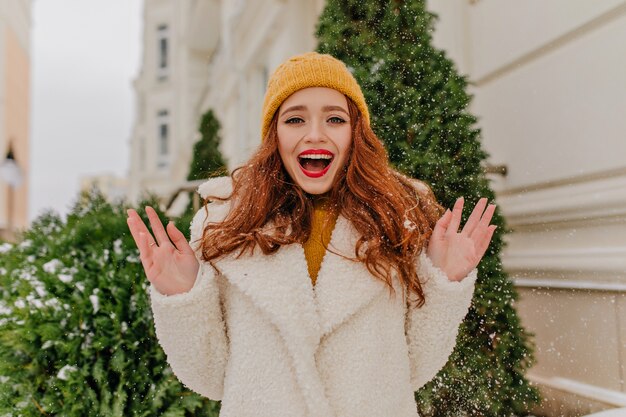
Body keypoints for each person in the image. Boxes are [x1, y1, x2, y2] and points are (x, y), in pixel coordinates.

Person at [126, 52, 496, 417]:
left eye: (334, 119)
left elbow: (415, 365)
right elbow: (209, 377)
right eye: (295, 119)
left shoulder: (395, 223)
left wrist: (443, 282)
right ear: (274, 136)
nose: (315, 134)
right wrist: (184, 296)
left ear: (356, 134)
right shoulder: (228, 226)